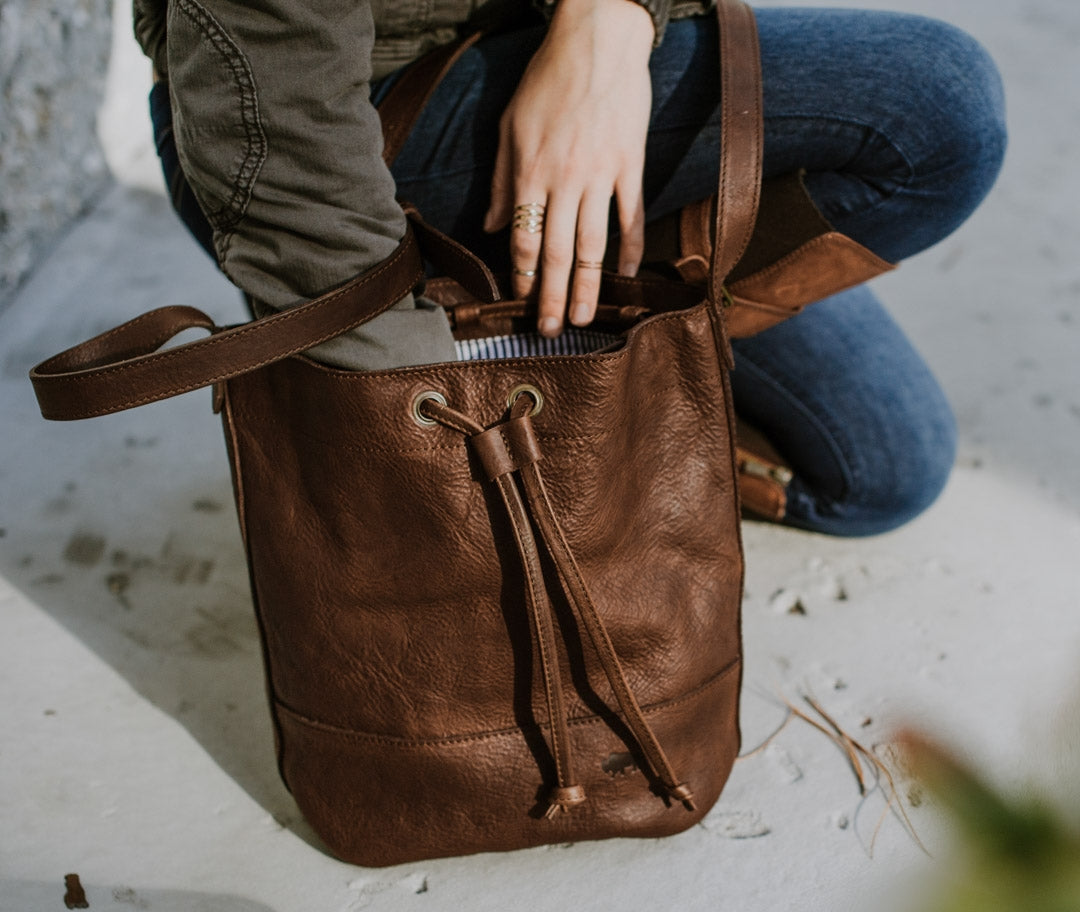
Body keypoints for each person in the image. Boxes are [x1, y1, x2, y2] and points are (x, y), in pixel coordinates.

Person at [135, 0, 1006, 536]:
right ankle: (530, 328)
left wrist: (610, 23)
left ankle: (568, 320)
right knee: (937, 100)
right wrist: (421, 443)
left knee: (882, 470)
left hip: (545, 41)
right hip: (352, 115)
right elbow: (278, 129)